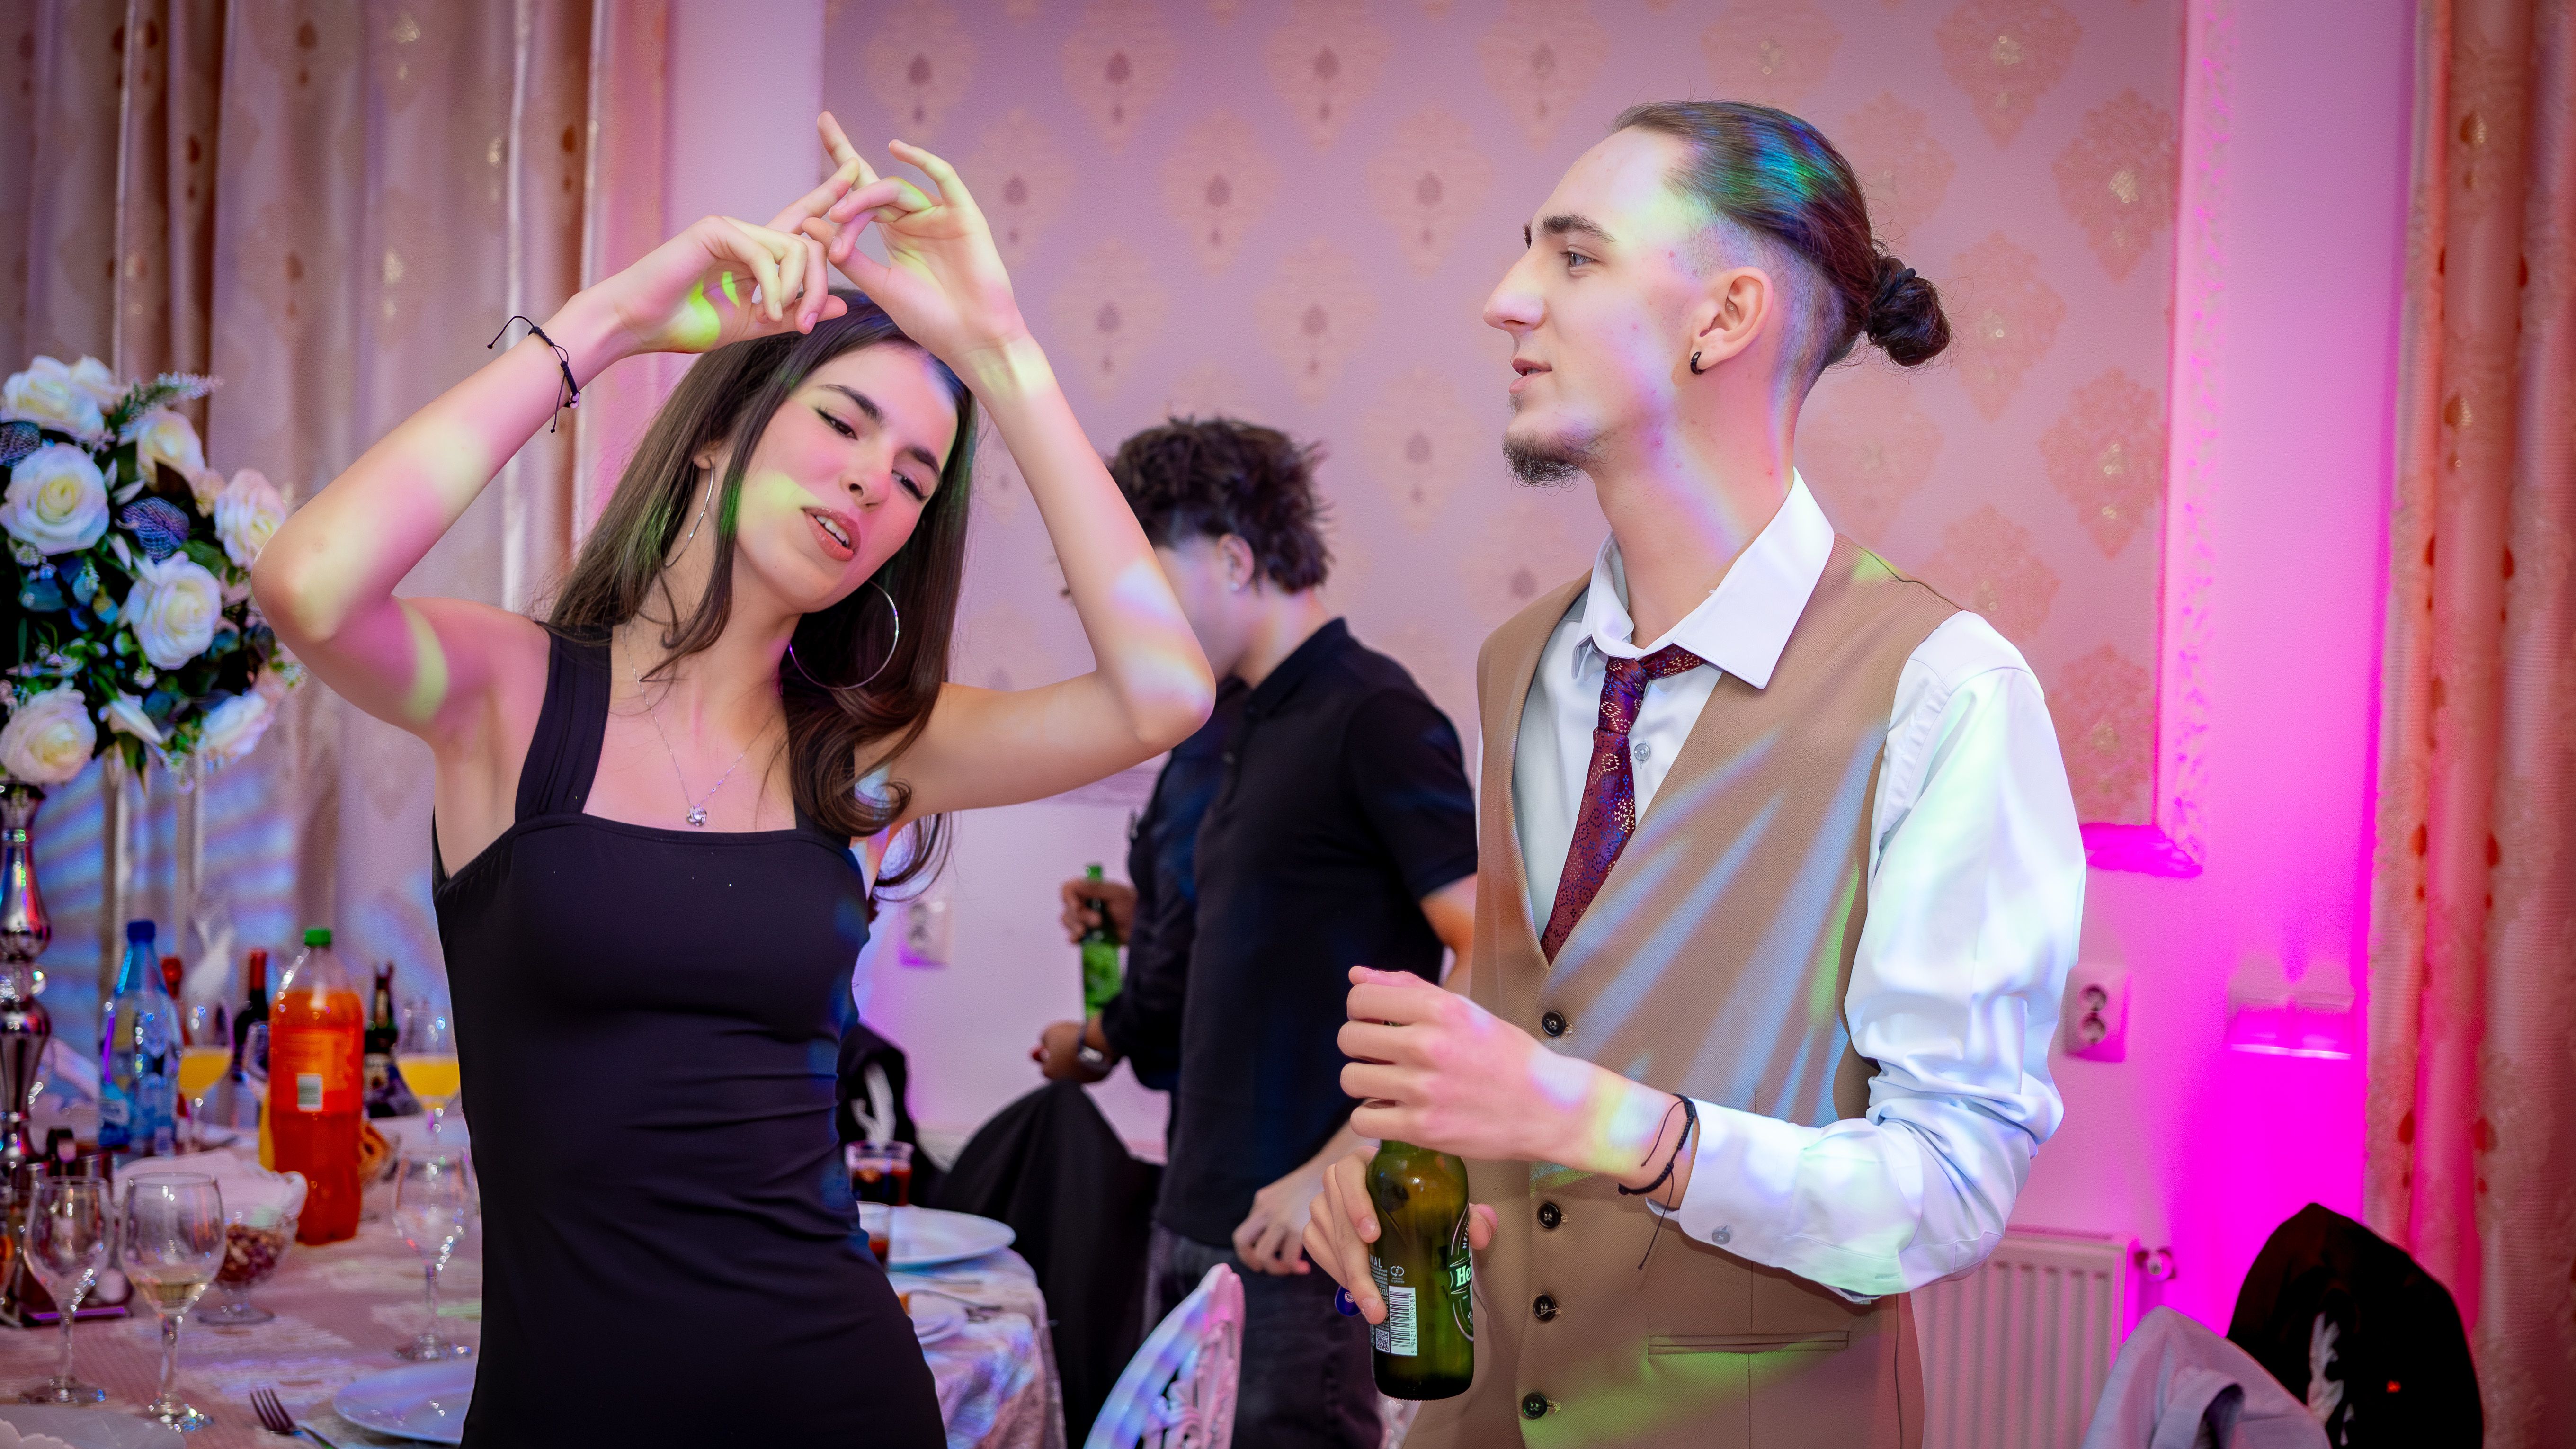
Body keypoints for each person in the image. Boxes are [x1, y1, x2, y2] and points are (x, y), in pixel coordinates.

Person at [253, 115, 1213, 1447]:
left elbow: (1164, 694)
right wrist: (609, 323)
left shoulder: (864, 749)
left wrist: (1003, 352)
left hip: (836, 1402)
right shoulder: (510, 693)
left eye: (915, 476)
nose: (872, 480)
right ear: (721, 433)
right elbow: (306, 583)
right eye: (843, 421)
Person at [1302, 101, 2084, 1446]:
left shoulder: (1946, 692)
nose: (1505, 299)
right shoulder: (1516, 665)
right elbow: (1535, 1016)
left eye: (1573, 256)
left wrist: (1621, 1129)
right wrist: (1386, 1164)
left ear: (1723, 319)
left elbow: (1949, 1191)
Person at [1035, 418, 1478, 1448]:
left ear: (1235, 559)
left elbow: (1491, 950)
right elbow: (1273, 923)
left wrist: (1345, 1156)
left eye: (1144, 580)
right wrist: (1136, 923)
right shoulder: (1226, 725)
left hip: (1304, 1229)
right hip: (1193, 1199)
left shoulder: (1374, 713)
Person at [1037, 671, 1245, 1095]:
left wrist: (1093, 1044)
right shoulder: (1223, 722)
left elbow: (1190, 946)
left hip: (1227, 1092)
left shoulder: (1222, 734)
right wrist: (1145, 918)